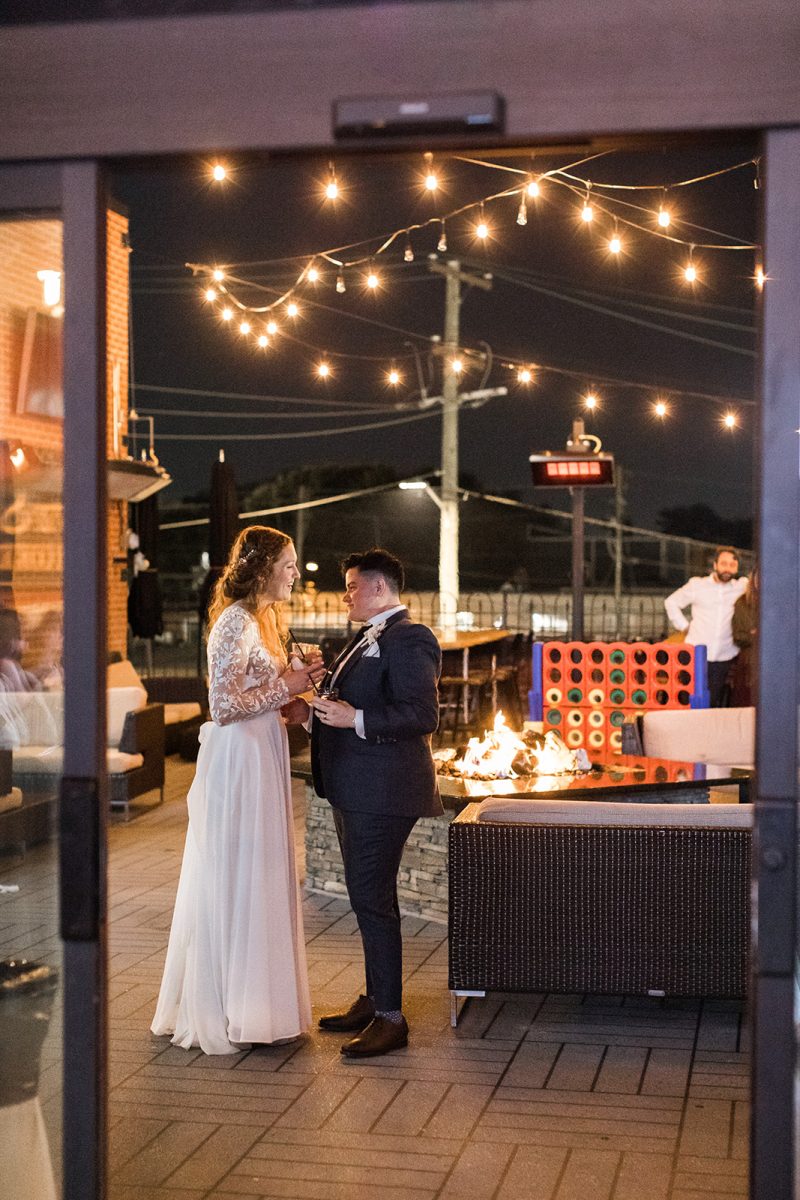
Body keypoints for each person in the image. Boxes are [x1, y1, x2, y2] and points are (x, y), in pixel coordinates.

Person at [151, 525, 326, 1055]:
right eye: (289, 565)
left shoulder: (262, 620)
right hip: (239, 758)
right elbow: (223, 706)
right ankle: (231, 1006)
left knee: (262, 872)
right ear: (264, 568)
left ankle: (260, 1007)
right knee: (241, 871)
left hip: (262, 750)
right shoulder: (233, 621)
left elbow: (256, 690)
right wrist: (286, 685)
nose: (295, 574)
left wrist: (295, 682)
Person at [308, 548, 442, 1058]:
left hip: (384, 792)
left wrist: (355, 719)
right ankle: (373, 999)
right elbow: (353, 702)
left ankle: (390, 1018)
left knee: (373, 900)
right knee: (366, 898)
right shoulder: (364, 638)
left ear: (379, 588)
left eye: (351, 586)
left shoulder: (410, 638)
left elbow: (422, 714)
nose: (345, 596)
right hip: (354, 787)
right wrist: (315, 713)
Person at [664, 546, 748, 707]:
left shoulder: (741, 587)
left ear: (737, 568)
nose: (727, 569)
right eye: (723, 564)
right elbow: (671, 602)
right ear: (715, 565)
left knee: (712, 702)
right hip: (695, 653)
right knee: (687, 700)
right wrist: (683, 626)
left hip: (724, 656)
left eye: (732, 565)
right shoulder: (697, 585)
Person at [730, 567, 757, 706]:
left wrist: (755, 633)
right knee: (746, 703)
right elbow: (738, 636)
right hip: (748, 664)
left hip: (774, 663)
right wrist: (759, 636)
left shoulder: (778, 604)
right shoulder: (742, 602)